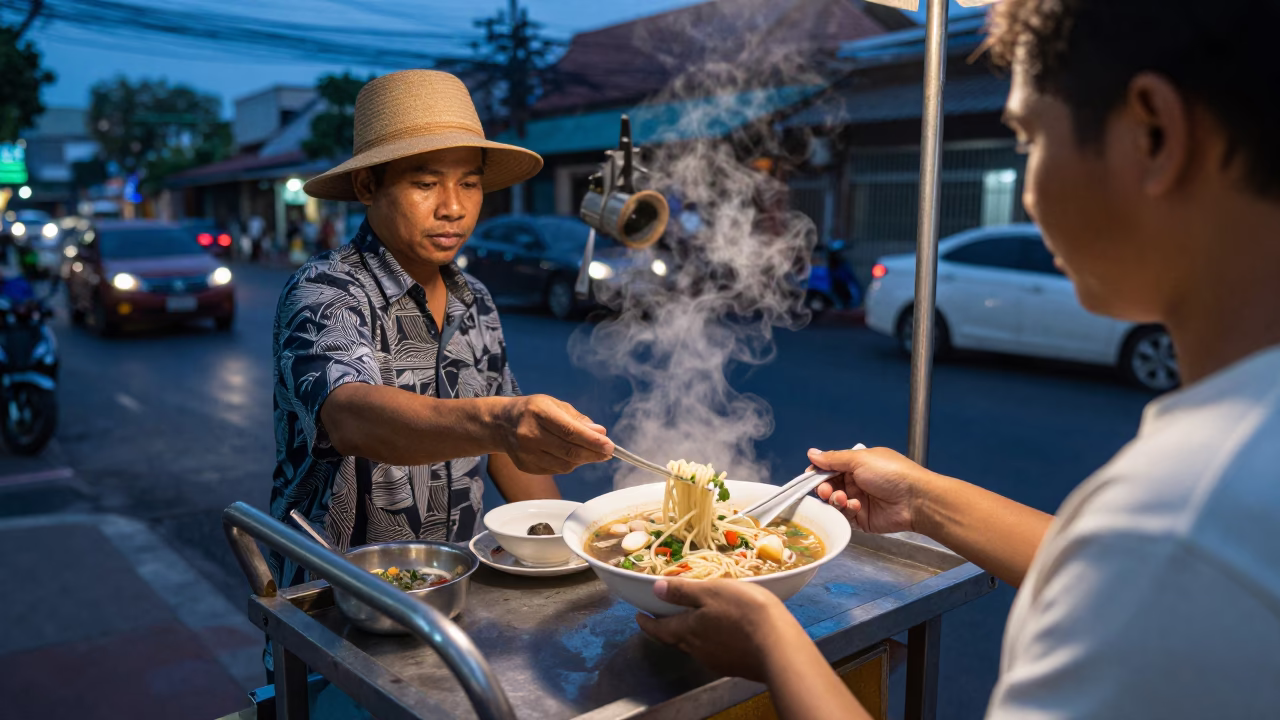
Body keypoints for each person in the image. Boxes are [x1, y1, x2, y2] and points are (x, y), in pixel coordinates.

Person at [637, 1, 1280, 718]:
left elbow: (1149, 561)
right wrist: (924, 501)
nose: (1029, 196)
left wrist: (768, 638)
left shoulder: (1177, 522)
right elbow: (1119, 575)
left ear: (1152, 132)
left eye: (1030, 138)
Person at [270, 69, 614, 619]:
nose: (453, 207)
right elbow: (351, 416)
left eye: (469, 183)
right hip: (336, 603)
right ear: (368, 187)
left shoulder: (474, 298)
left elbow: (509, 450)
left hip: (451, 588)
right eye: (426, 183)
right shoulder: (325, 290)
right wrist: (501, 420)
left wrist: (581, 541)